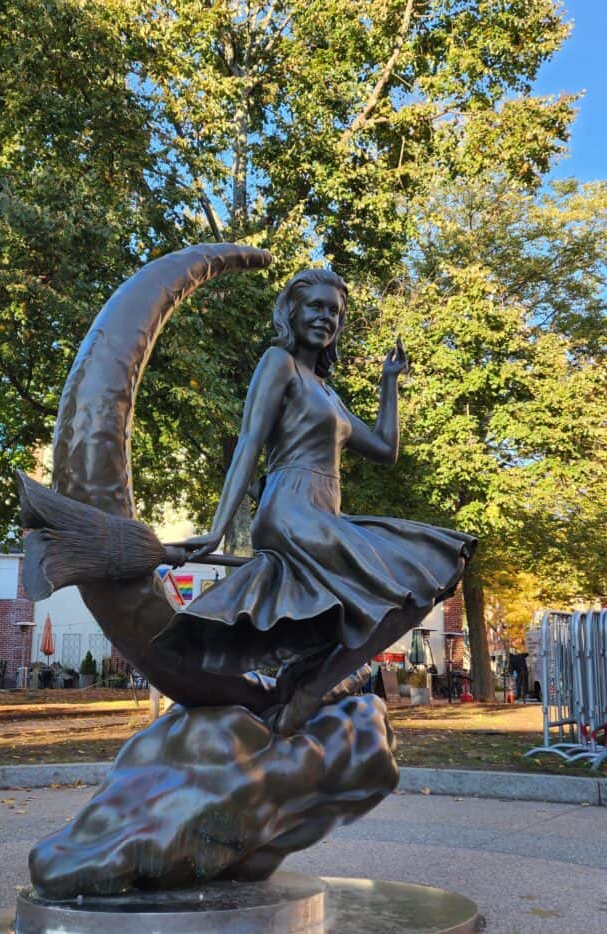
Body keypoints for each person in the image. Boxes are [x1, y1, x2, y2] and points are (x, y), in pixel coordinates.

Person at [154, 268, 476, 732]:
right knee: (411, 574)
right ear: (293, 311)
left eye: (335, 312)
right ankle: (306, 693)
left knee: (425, 576)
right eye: (317, 307)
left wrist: (389, 382)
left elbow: (385, 450)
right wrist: (219, 526)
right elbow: (248, 442)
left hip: (326, 513)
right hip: (290, 509)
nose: (327, 318)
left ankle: (305, 683)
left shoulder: (328, 392)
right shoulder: (277, 363)